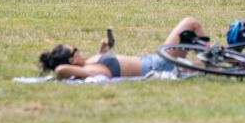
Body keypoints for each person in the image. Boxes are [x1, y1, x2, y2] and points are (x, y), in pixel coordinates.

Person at [38, 17, 206, 79]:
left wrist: (102, 53)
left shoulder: (88, 66)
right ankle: (210, 54)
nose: (79, 50)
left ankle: (216, 57)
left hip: (156, 60)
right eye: (75, 50)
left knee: (210, 67)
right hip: (160, 64)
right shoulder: (89, 71)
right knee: (190, 23)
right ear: (71, 60)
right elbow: (60, 70)